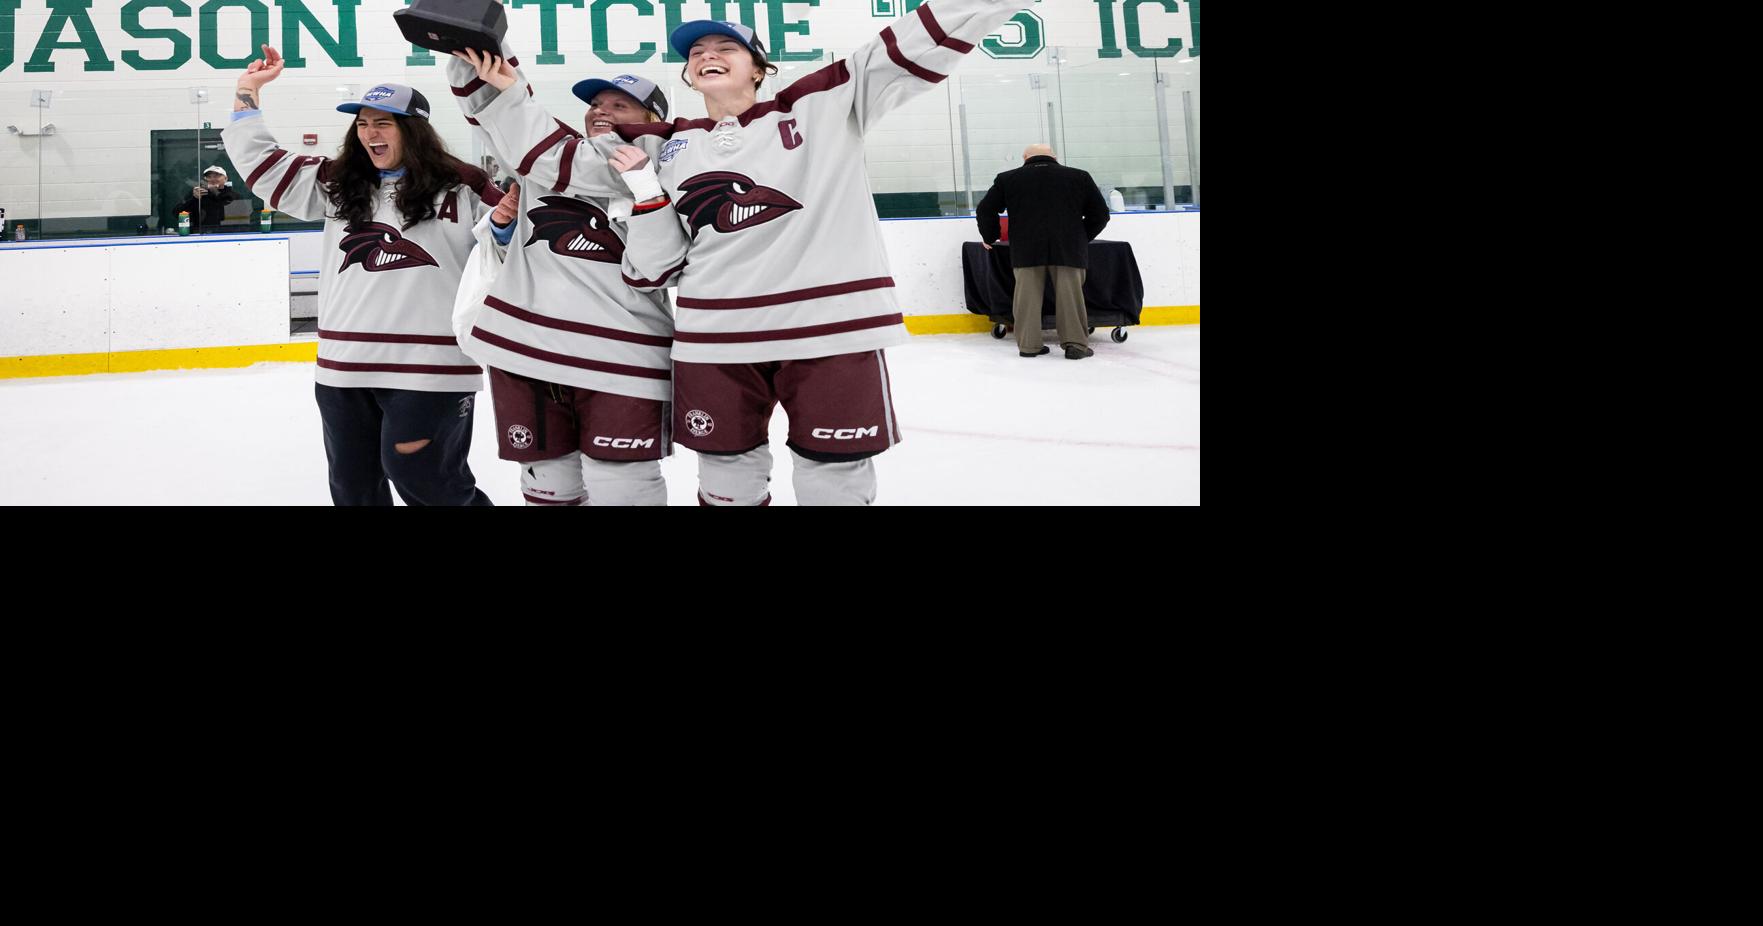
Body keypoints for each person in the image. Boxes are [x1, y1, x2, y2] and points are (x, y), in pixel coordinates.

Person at [454, 0, 1030, 505]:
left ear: (759, 66)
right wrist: (501, 89)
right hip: (716, 340)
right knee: (727, 479)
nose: (708, 52)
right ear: (687, 73)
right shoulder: (667, 144)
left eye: (725, 45)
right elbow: (555, 158)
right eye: (697, 50)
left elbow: (908, 43)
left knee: (835, 477)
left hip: (825, 330)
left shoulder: (822, 103)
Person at [224, 44, 501, 505]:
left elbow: (506, 250)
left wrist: (509, 227)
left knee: (426, 479)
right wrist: (247, 90)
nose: (369, 131)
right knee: (354, 488)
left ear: (413, 131)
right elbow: (259, 160)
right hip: (343, 365)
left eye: (383, 122)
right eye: (363, 122)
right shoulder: (336, 181)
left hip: (434, 366)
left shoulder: (464, 183)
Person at [447, 57, 678, 506]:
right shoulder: (545, 158)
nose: (601, 110)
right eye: (595, 103)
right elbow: (491, 106)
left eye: (620, 104)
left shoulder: (668, 175)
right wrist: (469, 48)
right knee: (548, 489)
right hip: (528, 352)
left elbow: (655, 272)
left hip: (622, 358)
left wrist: (646, 191)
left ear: (654, 123)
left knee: (624, 489)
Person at [976, 144, 1110, 359]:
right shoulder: (1079, 177)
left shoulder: (1008, 178)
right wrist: (1082, 237)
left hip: (1026, 249)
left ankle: (1029, 346)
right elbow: (1101, 214)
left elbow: (985, 209)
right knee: (1071, 298)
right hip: (1069, 249)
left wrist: (990, 236)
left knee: (1026, 299)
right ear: (1054, 157)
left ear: (1025, 157)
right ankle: (1075, 345)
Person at [174, 166, 239, 233]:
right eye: (209, 177)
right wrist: (194, 199)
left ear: (226, 178)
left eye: (216, 176)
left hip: (229, 236)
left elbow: (239, 217)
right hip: (201, 236)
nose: (212, 179)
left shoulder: (233, 195)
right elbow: (178, 213)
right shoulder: (198, 193)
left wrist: (216, 192)